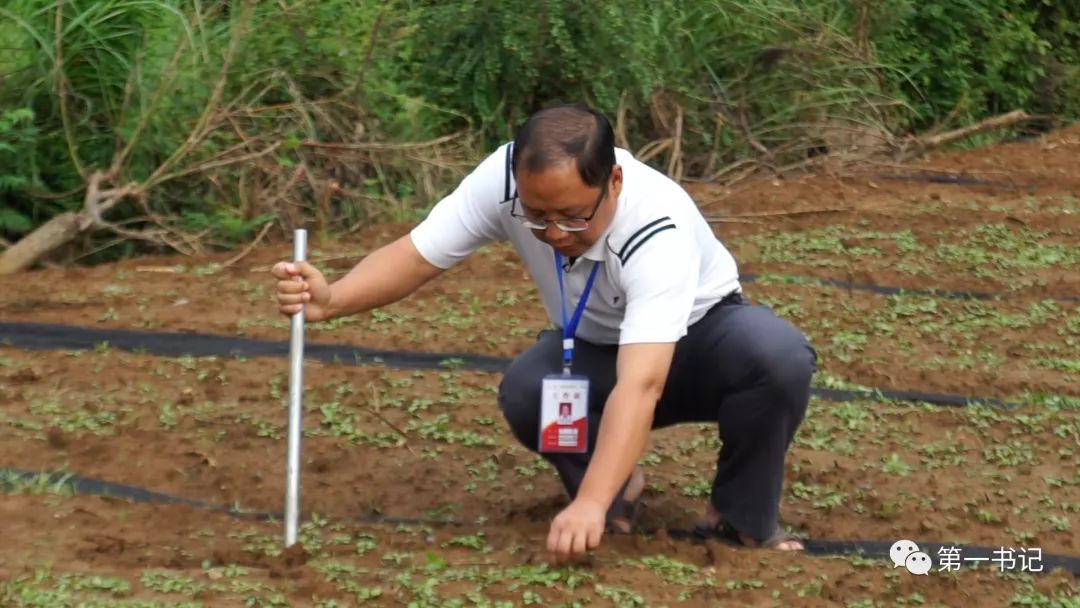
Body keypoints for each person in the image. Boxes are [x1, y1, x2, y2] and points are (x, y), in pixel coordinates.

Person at [272, 104, 817, 563]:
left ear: (614, 182)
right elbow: (418, 256)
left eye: (574, 217)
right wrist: (334, 299)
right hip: (595, 349)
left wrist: (588, 507)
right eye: (537, 216)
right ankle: (616, 487)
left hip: (702, 343)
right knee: (530, 390)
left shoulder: (657, 227)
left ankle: (739, 515)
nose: (554, 233)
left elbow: (643, 385)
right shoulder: (502, 179)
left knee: (775, 357)